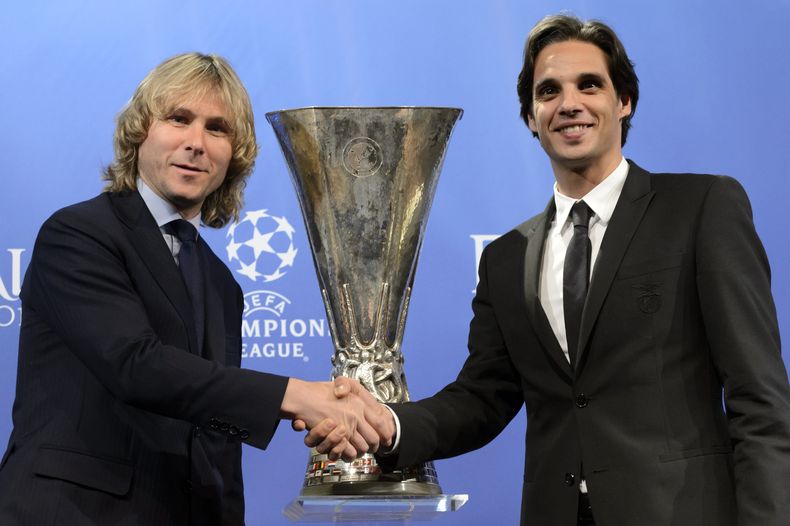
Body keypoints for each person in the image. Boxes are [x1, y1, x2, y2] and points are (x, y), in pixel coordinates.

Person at [310, 14, 790, 526]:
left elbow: (758, 399)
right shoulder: (506, 257)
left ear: (623, 101)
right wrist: (387, 423)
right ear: (532, 116)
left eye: (590, 85)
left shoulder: (701, 208)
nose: (569, 104)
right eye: (548, 92)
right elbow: (481, 398)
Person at [0, 52, 392, 526]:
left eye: (217, 128)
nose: (196, 143)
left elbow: (212, 434)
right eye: (178, 119)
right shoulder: (79, 233)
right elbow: (135, 366)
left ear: (236, 153)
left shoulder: (221, 283)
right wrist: (296, 395)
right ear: (139, 130)